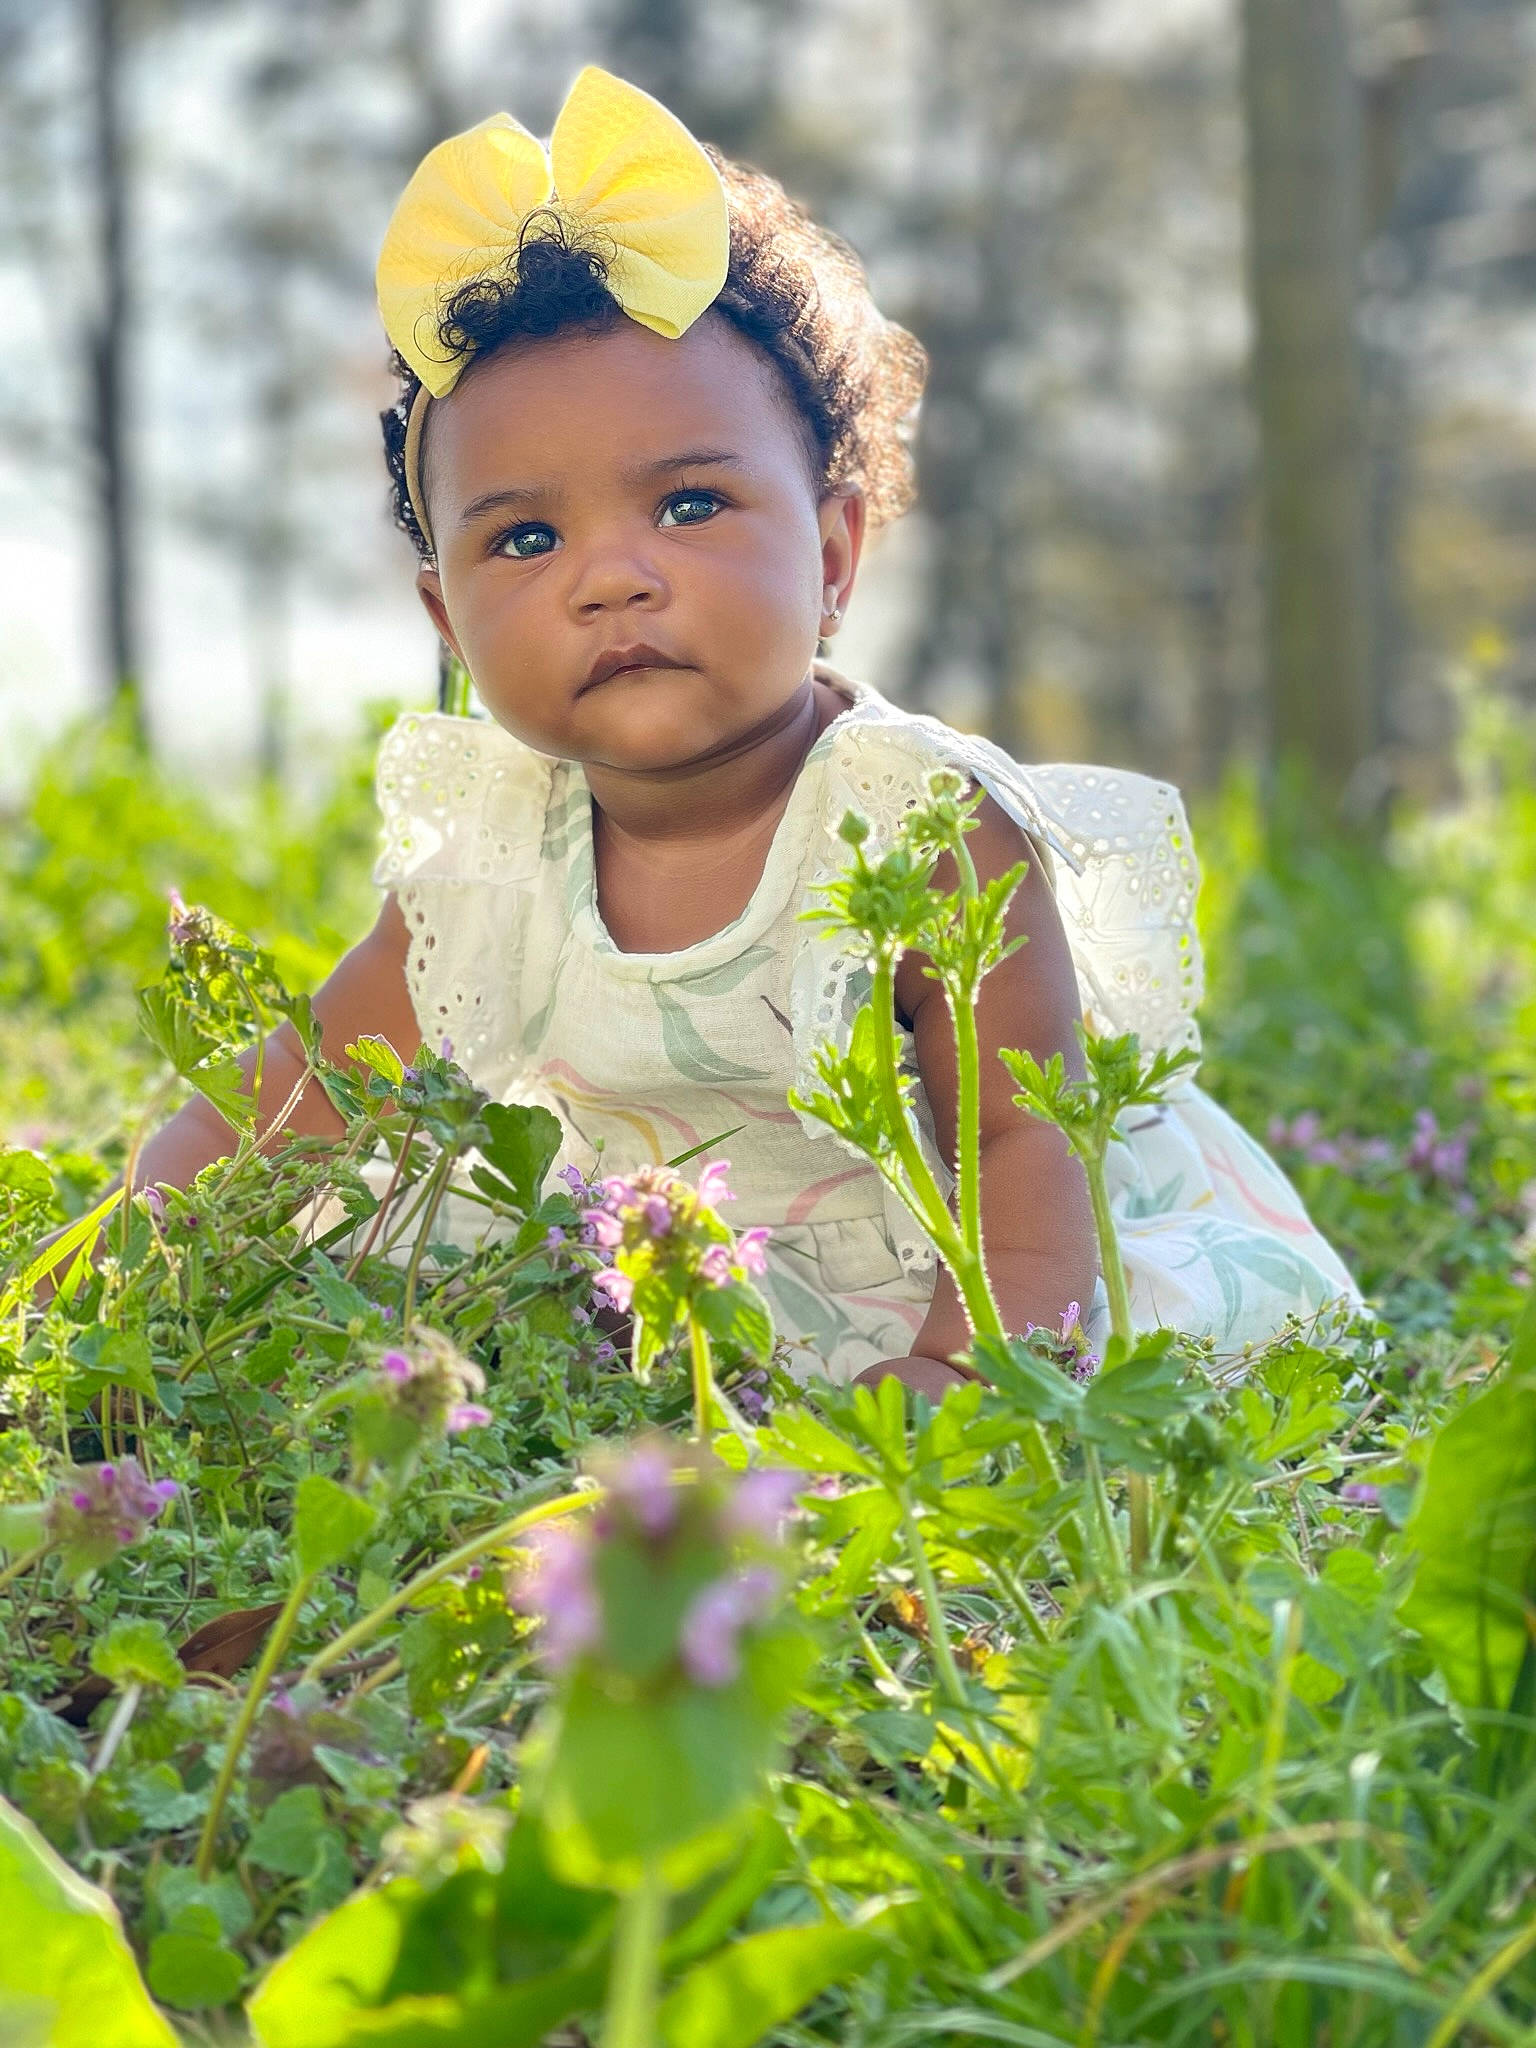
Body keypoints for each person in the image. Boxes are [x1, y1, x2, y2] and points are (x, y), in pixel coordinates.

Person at [130, 66, 1359, 1396]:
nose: (610, 577)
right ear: (447, 615)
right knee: (383, 1264)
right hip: (671, 1267)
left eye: (692, 507)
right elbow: (305, 1090)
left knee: (1143, 1355)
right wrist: (131, 1244)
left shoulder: (919, 822)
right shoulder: (491, 852)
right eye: (527, 538)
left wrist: (965, 1367)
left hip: (979, 1259)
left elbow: (1021, 1138)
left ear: (834, 551)